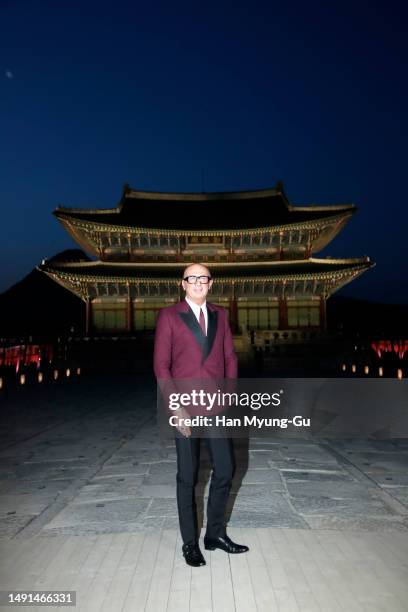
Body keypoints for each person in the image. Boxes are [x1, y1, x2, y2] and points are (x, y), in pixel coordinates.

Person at [154, 263, 249, 567]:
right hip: (184, 405)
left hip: (216, 405)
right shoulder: (169, 316)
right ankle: (190, 542)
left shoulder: (221, 314)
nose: (197, 282)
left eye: (202, 278)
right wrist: (175, 407)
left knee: (226, 468)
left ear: (210, 283)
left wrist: (229, 392)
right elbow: (161, 366)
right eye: (191, 278)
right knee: (188, 474)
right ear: (183, 284)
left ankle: (215, 535)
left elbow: (229, 357)